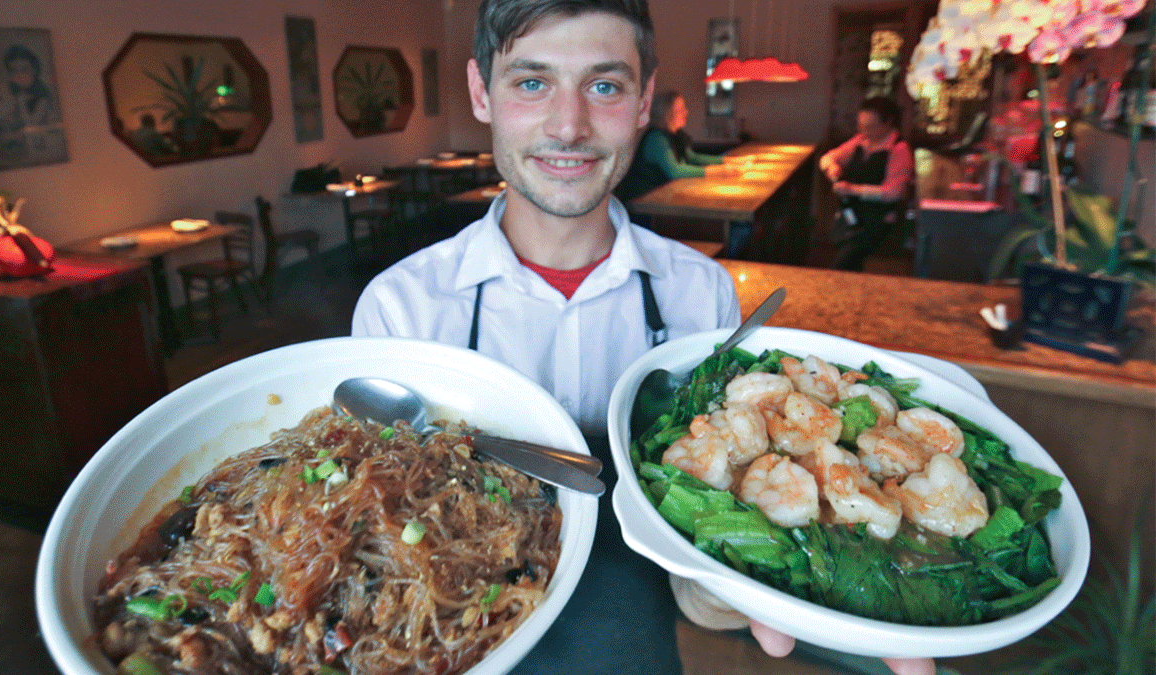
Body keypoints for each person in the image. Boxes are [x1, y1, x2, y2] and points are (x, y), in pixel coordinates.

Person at [352, 2, 935, 674]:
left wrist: (739, 583)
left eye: (604, 86)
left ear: (643, 102)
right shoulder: (401, 312)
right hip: (454, 639)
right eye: (531, 82)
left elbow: (697, 549)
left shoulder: (699, 293)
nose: (568, 125)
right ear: (483, 93)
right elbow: (385, 542)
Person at [819, 95, 914, 271]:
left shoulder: (899, 149)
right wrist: (832, 168)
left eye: (870, 126)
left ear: (888, 123)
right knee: (850, 264)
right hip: (852, 215)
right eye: (861, 126)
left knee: (842, 265)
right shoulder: (860, 140)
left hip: (877, 218)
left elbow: (893, 192)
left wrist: (853, 189)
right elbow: (827, 158)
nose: (864, 131)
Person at [613, 89, 746, 203]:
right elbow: (675, 171)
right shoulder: (657, 139)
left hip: (662, 200)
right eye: (681, 109)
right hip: (645, 206)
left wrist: (728, 161)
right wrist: (721, 171)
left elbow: (694, 158)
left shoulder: (675, 135)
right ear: (667, 114)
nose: (686, 112)